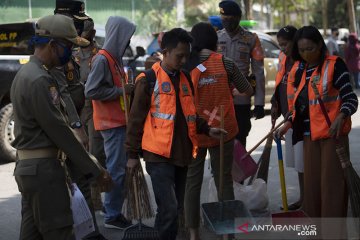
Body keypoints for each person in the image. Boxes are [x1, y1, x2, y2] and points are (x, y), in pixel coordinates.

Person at [11, 14, 112, 240]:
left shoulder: (27, 74)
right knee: (60, 232)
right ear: (51, 44)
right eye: (67, 46)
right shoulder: (39, 79)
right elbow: (61, 131)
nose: (71, 52)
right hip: (44, 172)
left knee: (32, 234)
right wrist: (95, 169)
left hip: (31, 170)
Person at [125, 28, 226, 240]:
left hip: (182, 153)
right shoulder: (147, 80)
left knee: (177, 207)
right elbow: (135, 121)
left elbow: (189, 114)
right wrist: (132, 155)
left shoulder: (185, 78)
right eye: (179, 56)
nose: (183, 60)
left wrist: (207, 128)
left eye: (187, 56)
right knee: (169, 208)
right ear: (165, 52)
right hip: (157, 155)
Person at [276, 26, 358, 237]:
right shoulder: (300, 69)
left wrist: (341, 116)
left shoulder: (334, 65)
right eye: (302, 50)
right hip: (309, 138)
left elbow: (350, 99)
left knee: (332, 191)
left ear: (320, 45)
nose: (306, 54)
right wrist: (287, 124)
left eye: (310, 48)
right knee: (312, 192)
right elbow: (300, 106)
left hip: (333, 138)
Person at [183, 22, 253, 240]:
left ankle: (193, 232)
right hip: (224, 130)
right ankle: (228, 234)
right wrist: (230, 89)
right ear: (213, 41)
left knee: (192, 183)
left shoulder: (185, 66)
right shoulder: (227, 63)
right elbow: (247, 90)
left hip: (195, 131)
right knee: (224, 180)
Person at [85, 16, 134, 230]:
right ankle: (113, 215)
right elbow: (91, 90)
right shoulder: (103, 59)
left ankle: (110, 208)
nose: (128, 42)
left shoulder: (115, 58)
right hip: (111, 125)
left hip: (118, 122)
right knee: (117, 170)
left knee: (117, 168)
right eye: (126, 37)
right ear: (118, 35)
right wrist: (120, 92)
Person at [217, 0, 265, 148]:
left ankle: (238, 171)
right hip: (219, 98)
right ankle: (220, 171)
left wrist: (259, 103)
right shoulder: (216, 38)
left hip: (241, 98)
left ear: (238, 18)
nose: (227, 22)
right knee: (219, 138)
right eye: (224, 19)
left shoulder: (251, 39)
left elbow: (258, 72)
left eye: (230, 19)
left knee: (240, 136)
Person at [74, 18, 106, 211]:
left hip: (95, 106)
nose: (81, 38)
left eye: (84, 33)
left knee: (96, 152)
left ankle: (97, 199)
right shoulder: (73, 53)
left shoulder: (100, 54)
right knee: (79, 151)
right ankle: (85, 198)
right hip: (78, 108)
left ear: (92, 34)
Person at [271, 25, 304, 211]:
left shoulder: (303, 60)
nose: (282, 48)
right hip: (287, 115)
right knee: (299, 164)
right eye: (280, 44)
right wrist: (275, 102)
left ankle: (309, 199)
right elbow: (279, 80)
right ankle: (303, 197)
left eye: (285, 44)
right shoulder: (283, 57)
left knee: (305, 162)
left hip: (300, 118)